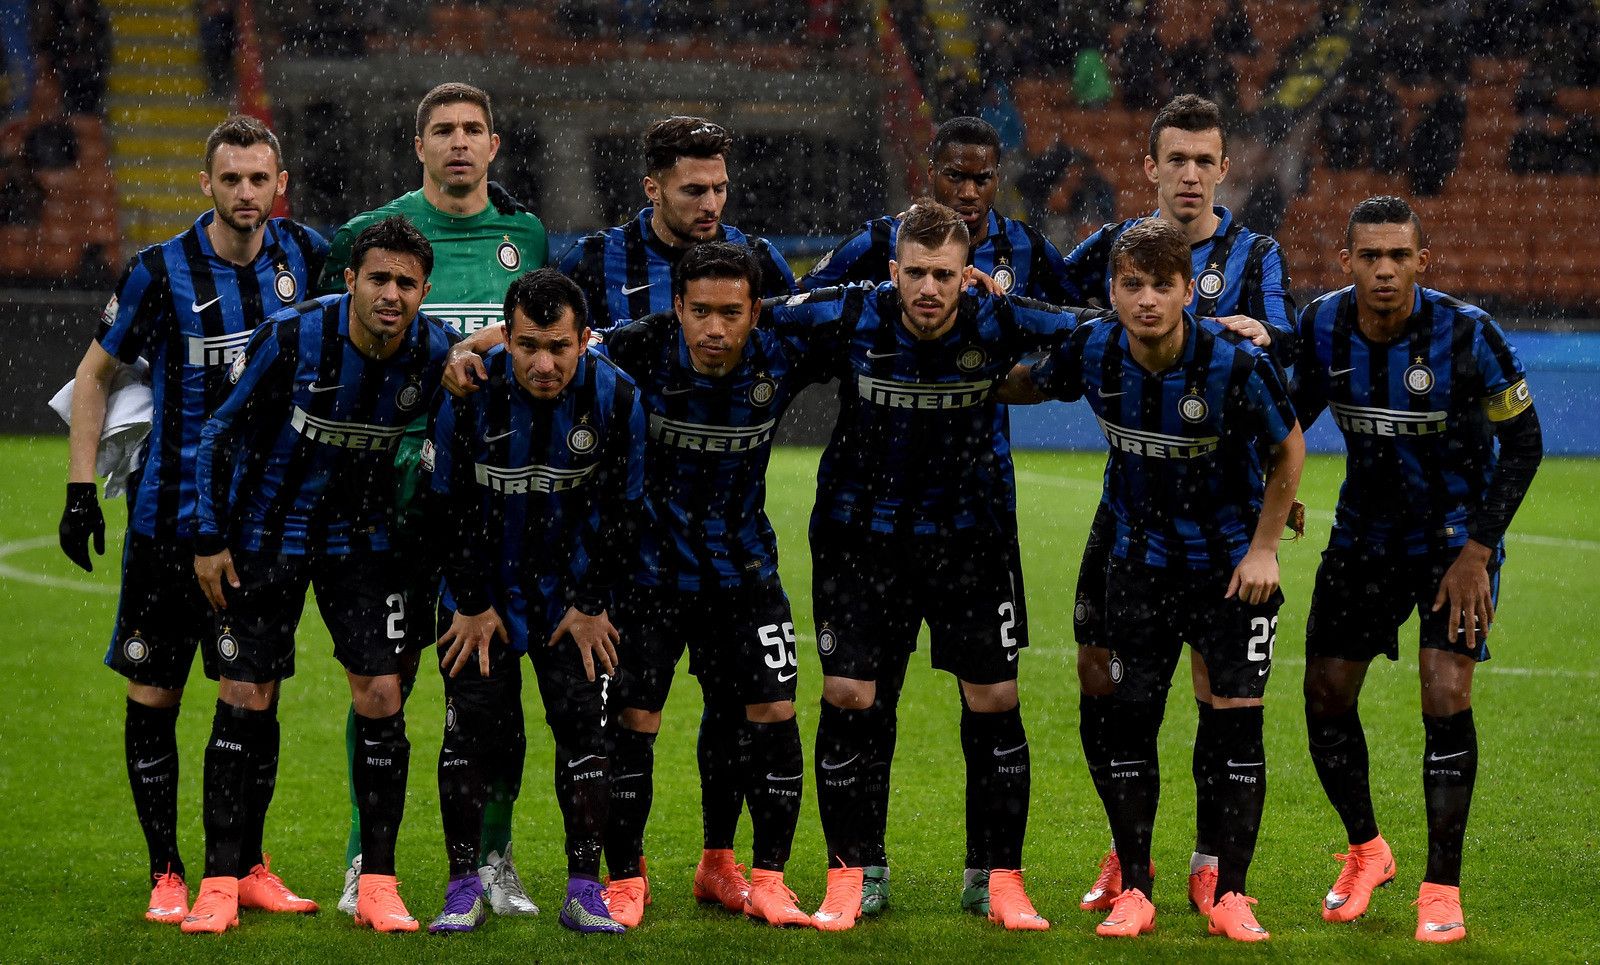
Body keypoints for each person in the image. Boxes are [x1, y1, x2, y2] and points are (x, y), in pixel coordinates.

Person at [772, 199, 1100, 933]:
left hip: (970, 540)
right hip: (860, 539)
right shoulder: (850, 312)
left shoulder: (1000, 317)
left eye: (944, 275)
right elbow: (743, 315)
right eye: (916, 272)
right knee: (852, 696)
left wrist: (1217, 329)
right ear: (893, 270)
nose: (928, 288)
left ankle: (998, 878)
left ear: (967, 274)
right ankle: (852, 873)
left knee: (995, 698)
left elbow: (1097, 327)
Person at [998, 217, 1305, 942]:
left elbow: (1289, 449)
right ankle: (1136, 888)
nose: (1146, 299)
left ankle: (1231, 893)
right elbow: (1027, 383)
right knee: (1131, 722)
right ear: (1112, 290)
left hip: (1229, 574)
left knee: (1236, 724)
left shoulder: (1233, 363)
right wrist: (952, 375)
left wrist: (1264, 548)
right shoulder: (1096, 348)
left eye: (1162, 285)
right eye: (1131, 284)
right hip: (1137, 567)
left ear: (1186, 293)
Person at [58, 115, 327, 926]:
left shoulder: (305, 256)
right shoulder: (157, 271)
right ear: (205, 183)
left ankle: (246, 864)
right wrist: (79, 491)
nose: (246, 192)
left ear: (280, 186)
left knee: (254, 695)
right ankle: (167, 868)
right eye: (231, 178)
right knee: (155, 693)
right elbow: (94, 374)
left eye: (259, 179)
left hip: (262, 528)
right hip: (168, 524)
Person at [183, 216, 458, 933]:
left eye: (406, 283)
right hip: (264, 537)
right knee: (246, 694)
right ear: (350, 280)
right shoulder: (292, 336)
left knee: (382, 694)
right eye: (378, 278)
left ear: (424, 291)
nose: (391, 294)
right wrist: (208, 538)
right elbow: (218, 431)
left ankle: (378, 883)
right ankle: (224, 879)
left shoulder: (434, 352)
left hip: (363, 544)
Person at [318, 81, 550, 919]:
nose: (458, 142)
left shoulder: (526, 236)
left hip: (489, 508)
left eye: (472, 129)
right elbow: (331, 345)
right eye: (443, 130)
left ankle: (493, 858)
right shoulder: (371, 234)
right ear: (418, 146)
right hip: (389, 506)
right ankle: (364, 858)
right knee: (381, 686)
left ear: (494, 145)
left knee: (489, 694)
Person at [1060, 93, 1297, 915]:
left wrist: (1275, 501)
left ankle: (1209, 859)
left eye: (1204, 161)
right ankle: (1127, 850)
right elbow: (1052, 307)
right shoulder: (1113, 247)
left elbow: (1279, 351)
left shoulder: (1256, 255)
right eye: (1176, 160)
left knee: (1212, 683)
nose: (1190, 174)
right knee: (1101, 674)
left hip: (1218, 507)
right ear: (1151, 167)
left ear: (1223, 169)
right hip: (1129, 508)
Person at [1294, 197, 1542, 944]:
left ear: (1422, 262)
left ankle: (1441, 888)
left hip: (1452, 545)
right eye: (1370, 256)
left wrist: (1478, 553)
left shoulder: (1469, 333)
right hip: (1363, 539)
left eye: (1399, 256)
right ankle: (1367, 850)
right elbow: (1286, 418)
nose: (1384, 270)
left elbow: (1524, 444)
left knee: (1445, 693)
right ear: (1346, 261)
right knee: (1324, 694)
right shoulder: (1321, 325)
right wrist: (1276, 488)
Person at [595, 242, 835, 928]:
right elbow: (552, 341)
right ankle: (626, 878)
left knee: (768, 712)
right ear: (677, 306)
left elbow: (867, 308)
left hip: (744, 569)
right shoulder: (638, 348)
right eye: (700, 310)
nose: (715, 328)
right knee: (634, 721)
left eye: (731, 313)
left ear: (756, 311)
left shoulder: (782, 351)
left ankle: (748, 873)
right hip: (648, 575)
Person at [424, 268, 644, 935]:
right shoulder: (468, 394)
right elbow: (445, 509)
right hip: (480, 596)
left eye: (557, 347)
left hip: (571, 598)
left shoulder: (616, 396)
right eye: (526, 346)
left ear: (585, 339)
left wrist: (592, 601)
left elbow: (626, 511)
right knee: (471, 732)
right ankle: (463, 886)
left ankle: (584, 891)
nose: (543, 364)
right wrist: (470, 602)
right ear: (506, 339)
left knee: (585, 733)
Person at [558, 115, 796, 331]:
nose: (711, 205)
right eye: (694, 191)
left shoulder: (758, 258)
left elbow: (794, 346)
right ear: (653, 190)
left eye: (719, 189)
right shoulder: (592, 260)